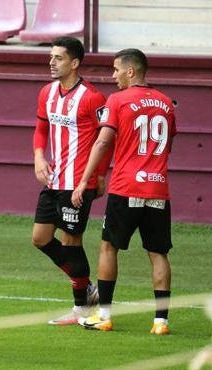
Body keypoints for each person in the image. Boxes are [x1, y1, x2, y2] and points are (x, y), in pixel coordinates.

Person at [72, 48, 176, 334]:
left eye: (116, 69)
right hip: (158, 188)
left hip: (126, 186)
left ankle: (104, 316)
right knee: (158, 253)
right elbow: (167, 146)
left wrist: (84, 180)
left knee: (108, 246)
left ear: (131, 71)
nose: (113, 75)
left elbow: (103, 142)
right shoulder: (167, 103)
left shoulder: (117, 100)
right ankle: (161, 322)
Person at [31, 36, 111, 325]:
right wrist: (39, 157)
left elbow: (105, 140)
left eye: (58, 58)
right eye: (51, 57)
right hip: (54, 180)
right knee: (40, 239)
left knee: (70, 241)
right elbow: (40, 129)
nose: (51, 62)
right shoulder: (47, 93)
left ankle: (81, 308)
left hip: (78, 182)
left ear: (75, 63)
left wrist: (99, 176)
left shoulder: (93, 97)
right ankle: (87, 287)